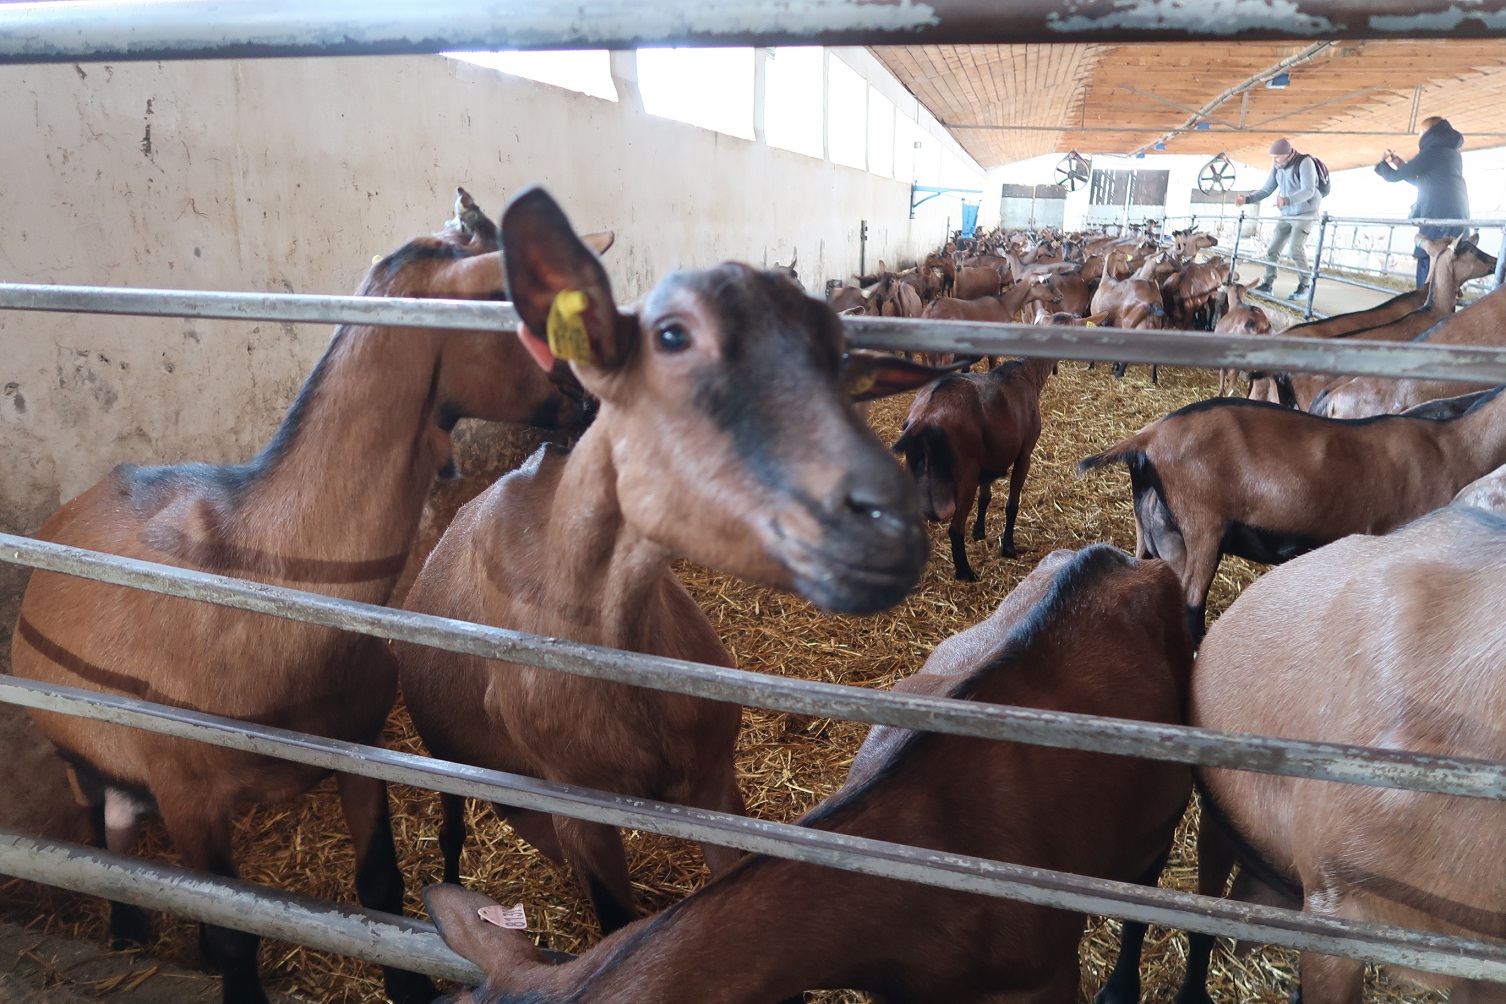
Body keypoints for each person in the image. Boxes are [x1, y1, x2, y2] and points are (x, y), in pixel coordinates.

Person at [1376, 115, 1469, 288]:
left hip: (1436, 222)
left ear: (1427, 132)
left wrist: (1382, 164)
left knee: (1428, 277)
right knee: (1447, 276)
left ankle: (1428, 310)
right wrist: (1400, 164)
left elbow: (1395, 177)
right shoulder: (1453, 153)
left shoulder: (1432, 151)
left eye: (1420, 132)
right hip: (1456, 220)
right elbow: (1425, 182)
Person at [1235, 138, 1323, 301]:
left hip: (1305, 213)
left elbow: (1309, 190)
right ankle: (1268, 285)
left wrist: (1287, 199)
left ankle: (1305, 285)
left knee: (1295, 250)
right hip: (1287, 213)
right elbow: (1267, 189)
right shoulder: (1278, 166)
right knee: (1272, 249)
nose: (1274, 161)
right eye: (1273, 157)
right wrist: (1247, 199)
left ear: (1287, 154)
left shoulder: (1305, 163)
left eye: (1277, 157)